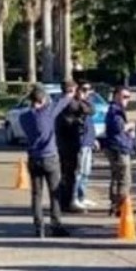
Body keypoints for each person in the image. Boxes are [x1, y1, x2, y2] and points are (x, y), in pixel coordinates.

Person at [19, 85, 77, 238]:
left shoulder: (23, 117)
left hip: (34, 158)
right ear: (43, 99)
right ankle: (56, 224)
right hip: (50, 157)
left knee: (36, 195)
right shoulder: (48, 113)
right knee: (55, 192)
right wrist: (70, 93)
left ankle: (39, 227)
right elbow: (62, 102)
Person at [56, 81, 94, 213]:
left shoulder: (59, 103)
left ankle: (64, 202)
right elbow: (90, 110)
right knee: (71, 174)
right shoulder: (69, 103)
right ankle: (69, 202)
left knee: (66, 175)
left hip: (63, 144)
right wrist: (83, 99)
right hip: (70, 144)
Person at [102, 86, 136, 216]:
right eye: (124, 96)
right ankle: (121, 206)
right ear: (116, 96)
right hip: (119, 148)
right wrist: (131, 126)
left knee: (116, 177)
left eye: (128, 97)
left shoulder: (115, 109)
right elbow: (118, 128)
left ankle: (114, 205)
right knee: (124, 178)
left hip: (115, 146)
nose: (126, 100)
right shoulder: (115, 110)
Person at [76, 86, 100, 209]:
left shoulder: (85, 104)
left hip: (88, 142)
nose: (88, 93)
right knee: (79, 172)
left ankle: (82, 197)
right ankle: (75, 198)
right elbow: (91, 110)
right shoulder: (77, 105)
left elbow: (90, 121)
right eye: (84, 90)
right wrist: (86, 99)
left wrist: (93, 139)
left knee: (86, 172)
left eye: (89, 90)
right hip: (81, 143)